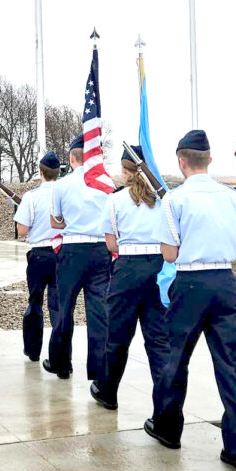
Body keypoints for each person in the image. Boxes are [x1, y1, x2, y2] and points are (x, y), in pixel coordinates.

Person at [144, 130, 236, 471]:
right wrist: (223, 253)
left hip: (190, 282)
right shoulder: (232, 197)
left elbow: (169, 253)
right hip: (225, 282)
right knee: (230, 365)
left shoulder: (174, 201)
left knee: (175, 358)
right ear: (210, 159)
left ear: (181, 161)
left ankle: (168, 429)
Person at [92, 145, 177, 410]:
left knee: (117, 337)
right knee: (159, 342)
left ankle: (107, 391)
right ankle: (164, 408)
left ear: (127, 171)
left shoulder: (115, 200)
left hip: (127, 269)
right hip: (159, 269)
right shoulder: (166, 200)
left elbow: (111, 245)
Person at [45, 135, 111, 381]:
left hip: (72, 250)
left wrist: (69, 222)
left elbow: (55, 221)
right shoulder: (105, 184)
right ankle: (98, 369)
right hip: (99, 249)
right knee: (98, 311)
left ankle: (62, 363)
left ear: (72, 158)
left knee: (65, 308)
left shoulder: (61, 185)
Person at [13, 151, 61, 363]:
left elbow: (22, 230)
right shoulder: (64, 194)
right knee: (58, 306)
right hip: (61, 253)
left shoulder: (31, 197)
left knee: (35, 301)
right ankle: (59, 354)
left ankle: (33, 350)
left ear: (41, 172)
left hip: (39, 254)